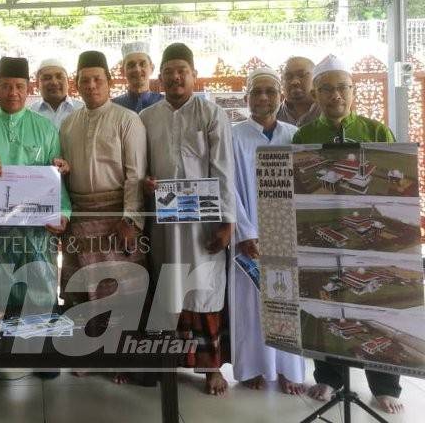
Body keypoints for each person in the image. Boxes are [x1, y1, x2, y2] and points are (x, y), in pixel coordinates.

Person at [293, 55, 402, 415]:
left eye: (342, 87)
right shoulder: (304, 136)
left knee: (372, 308)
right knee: (327, 303)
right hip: (323, 237)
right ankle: (329, 376)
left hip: (367, 239)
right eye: (326, 88)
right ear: (315, 94)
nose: (335, 95)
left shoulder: (376, 132)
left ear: (353, 91)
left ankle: (384, 385)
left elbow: (395, 181)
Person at [140, 42, 237, 396]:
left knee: (204, 291)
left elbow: (224, 169)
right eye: (169, 72)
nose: (176, 77)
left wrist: (228, 222)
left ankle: (211, 368)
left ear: (194, 75)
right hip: (163, 221)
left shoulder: (212, 114)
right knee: (169, 288)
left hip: (204, 225)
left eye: (182, 71)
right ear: (160, 78)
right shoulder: (147, 117)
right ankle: (170, 364)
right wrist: (146, 182)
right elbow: (141, 167)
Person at [59, 51, 148, 383]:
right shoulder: (68, 123)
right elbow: (64, 174)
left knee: (117, 289)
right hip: (80, 218)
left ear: (110, 82)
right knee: (80, 289)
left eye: (98, 79)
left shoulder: (127, 120)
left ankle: (120, 360)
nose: (91, 85)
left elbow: (135, 174)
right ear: (77, 84)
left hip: (116, 218)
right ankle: (85, 353)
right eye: (85, 80)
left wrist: (130, 221)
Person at [0, 56, 70, 314]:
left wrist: (63, 212)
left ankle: (37, 347)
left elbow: (56, 175)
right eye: (6, 86)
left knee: (39, 291)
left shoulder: (45, 128)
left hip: (36, 232)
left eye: (19, 86)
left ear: (28, 88)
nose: (13, 93)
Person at [230, 67, 306, 394]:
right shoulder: (233, 136)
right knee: (251, 305)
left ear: (281, 97)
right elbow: (227, 186)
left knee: (286, 301)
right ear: (247, 98)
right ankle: (254, 369)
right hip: (250, 237)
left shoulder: (294, 135)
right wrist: (245, 232)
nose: (264, 98)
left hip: (286, 235)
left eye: (270, 92)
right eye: (257, 92)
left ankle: (288, 371)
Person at [29, 58, 83, 128]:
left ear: (68, 81)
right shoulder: (31, 113)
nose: (54, 82)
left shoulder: (82, 110)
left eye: (59, 77)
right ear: (37, 84)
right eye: (47, 78)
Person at [112, 41, 163, 113]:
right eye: (131, 65)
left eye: (142, 64)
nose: (137, 70)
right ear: (123, 71)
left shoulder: (163, 104)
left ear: (152, 68)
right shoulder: (114, 107)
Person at [277, 56, 320, 127]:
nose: (294, 82)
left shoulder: (330, 113)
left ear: (316, 78)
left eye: (301, 75)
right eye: (288, 77)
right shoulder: (272, 117)